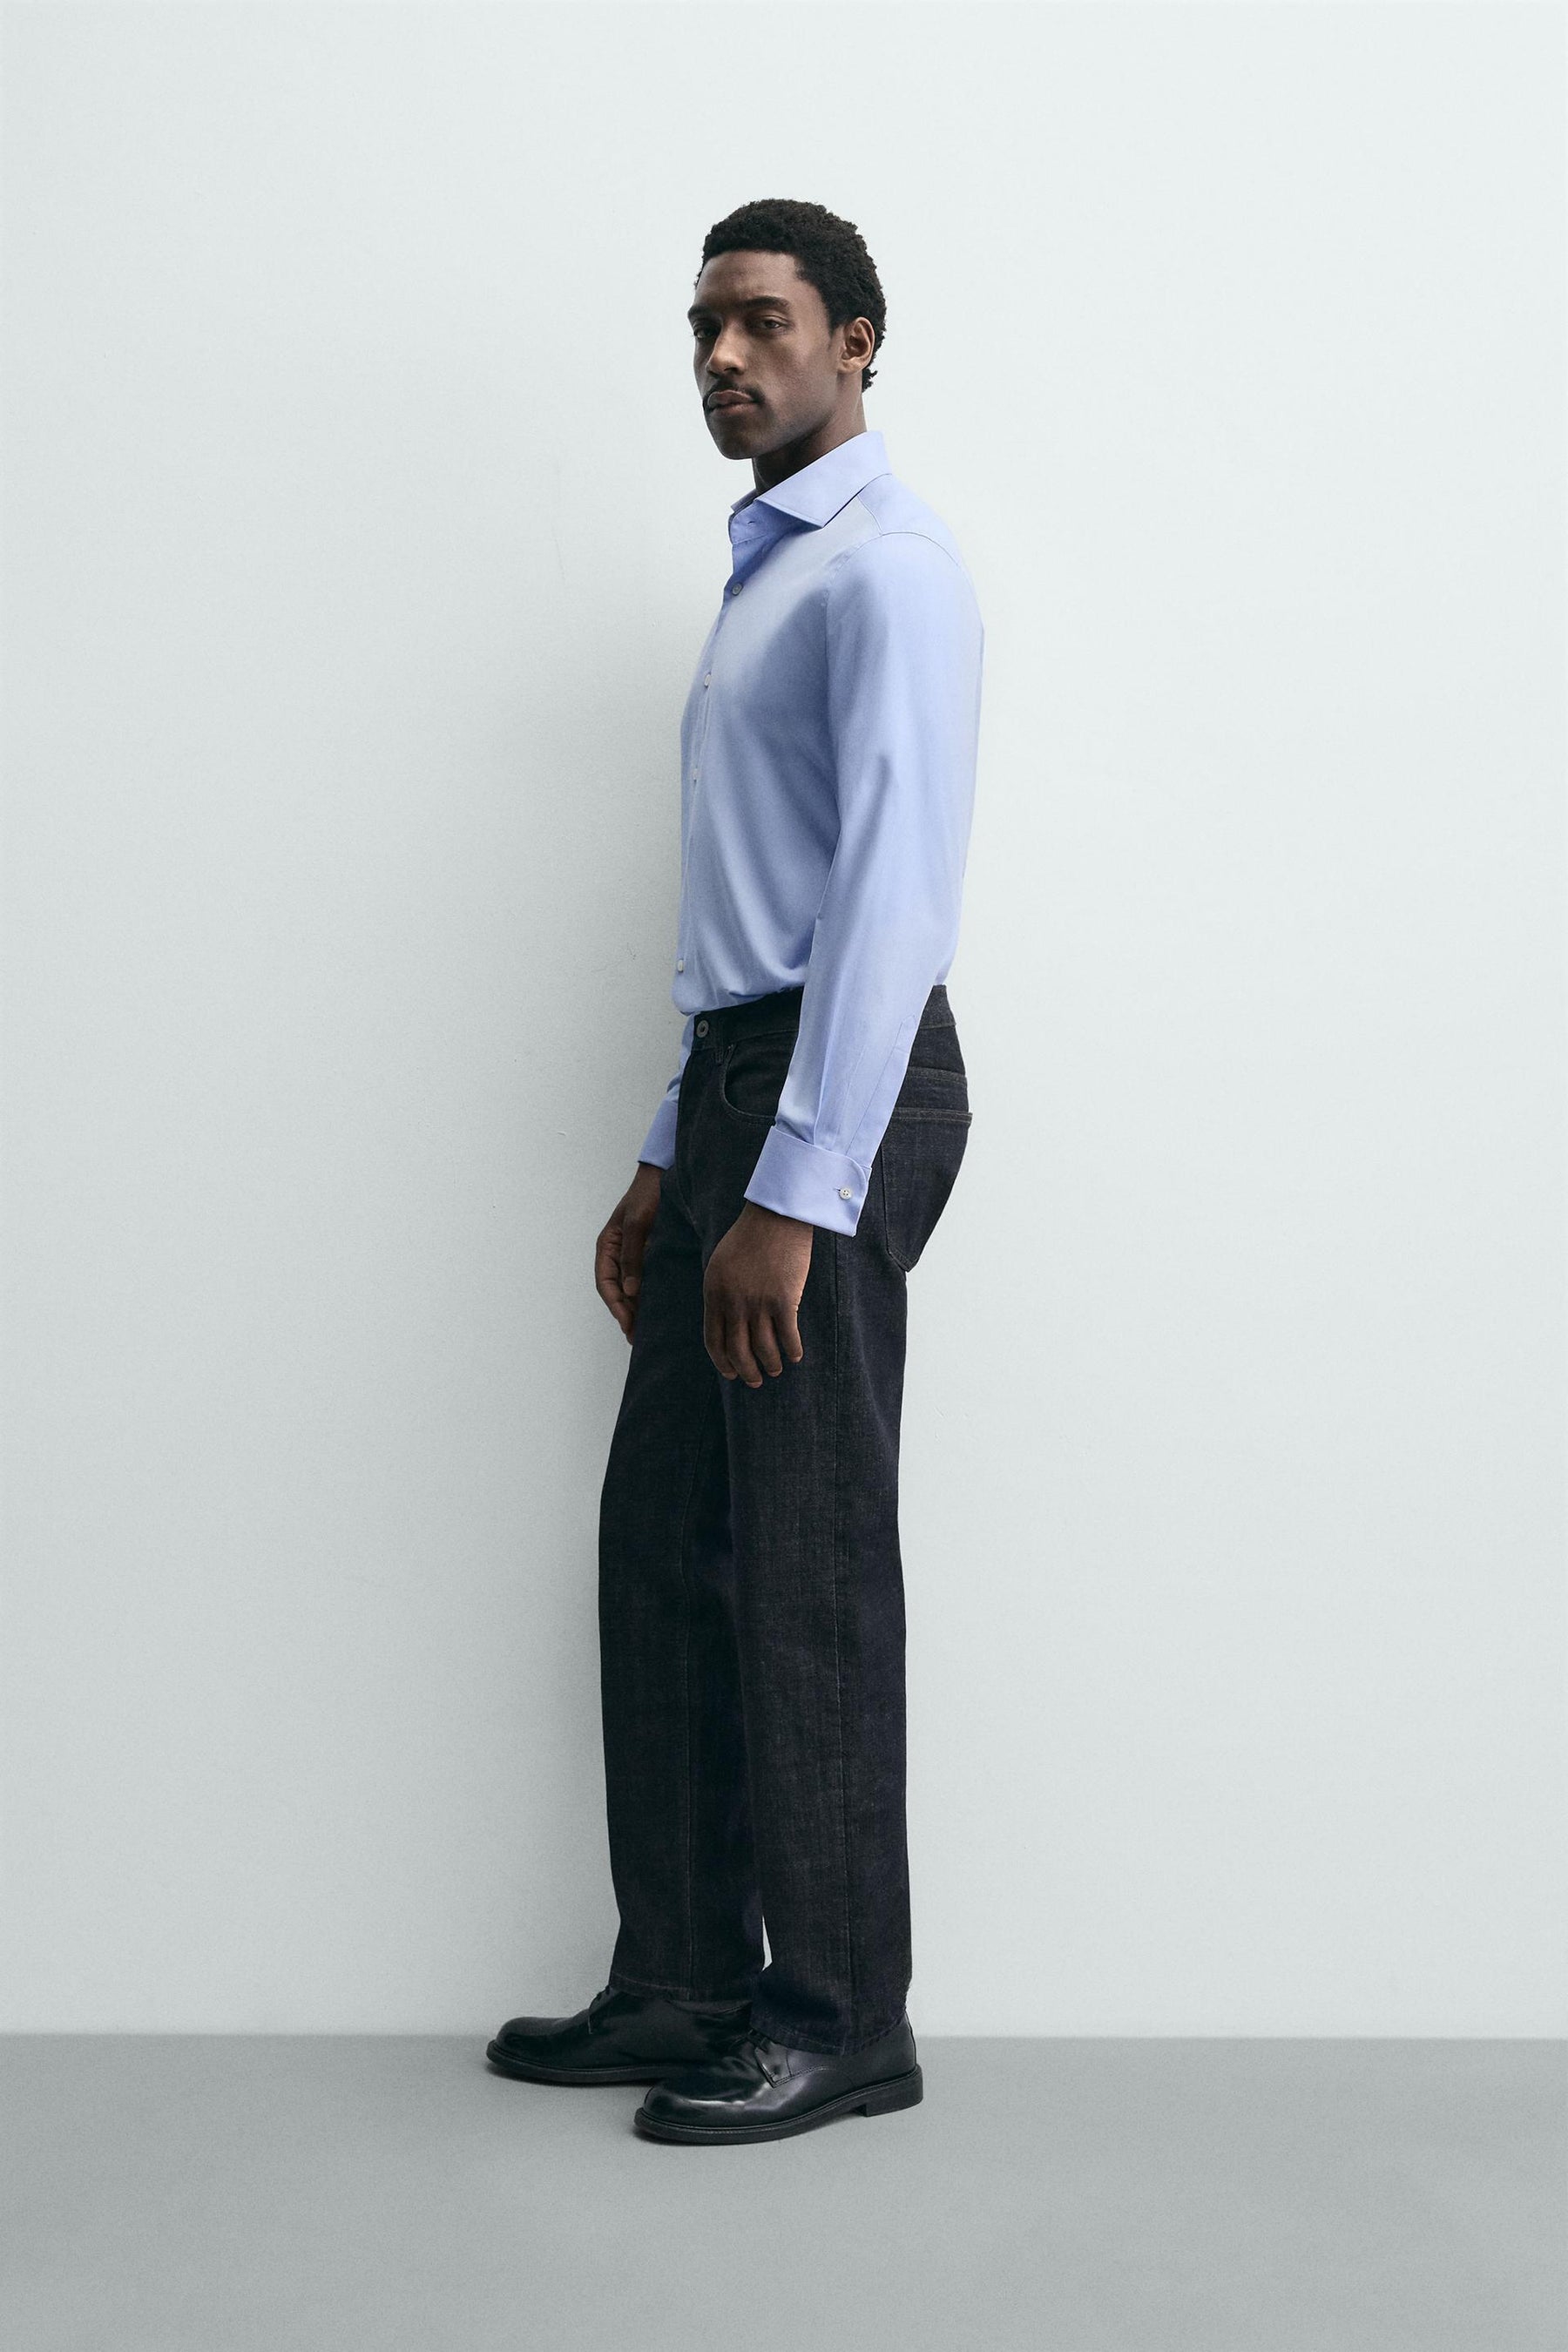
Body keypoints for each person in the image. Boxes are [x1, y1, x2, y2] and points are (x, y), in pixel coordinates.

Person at [488, 198, 983, 2145]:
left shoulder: (890, 574)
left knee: (806, 1561)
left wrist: (792, 1187)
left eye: (764, 321)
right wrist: (664, 1156)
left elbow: (887, 905)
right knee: (664, 1550)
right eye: (703, 325)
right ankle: (687, 1976)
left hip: (832, 1095)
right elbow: (747, 915)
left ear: (855, 342)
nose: (721, 356)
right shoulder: (769, 572)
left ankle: (845, 2017)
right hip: (735, 1089)